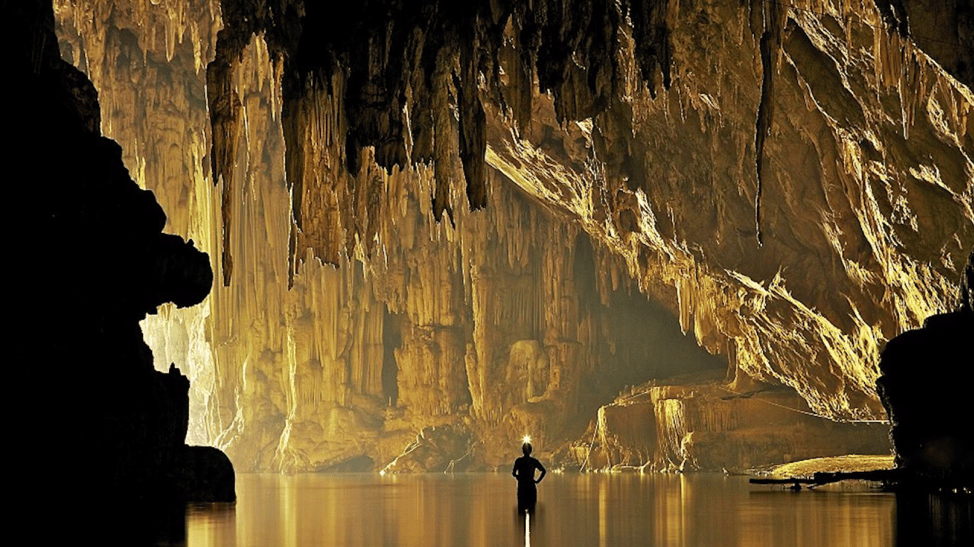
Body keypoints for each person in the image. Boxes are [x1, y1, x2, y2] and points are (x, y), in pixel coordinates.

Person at [512, 441, 546, 513]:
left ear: (522, 451)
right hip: (531, 486)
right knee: (531, 509)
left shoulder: (519, 461)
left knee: (521, 510)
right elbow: (543, 471)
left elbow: (513, 473)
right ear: (531, 451)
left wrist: (518, 477)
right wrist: (537, 481)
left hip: (522, 487)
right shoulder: (533, 461)